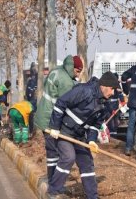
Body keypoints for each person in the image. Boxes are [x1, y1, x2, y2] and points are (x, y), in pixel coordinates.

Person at [47, 71, 120, 199]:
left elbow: (95, 126)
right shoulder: (84, 91)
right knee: (69, 157)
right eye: (112, 89)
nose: (113, 93)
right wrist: (54, 127)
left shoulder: (103, 103)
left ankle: (92, 196)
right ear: (104, 86)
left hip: (79, 136)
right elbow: (61, 103)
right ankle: (53, 190)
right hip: (64, 131)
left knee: (87, 162)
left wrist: (91, 140)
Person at [34, 55, 83, 185]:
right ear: (72, 67)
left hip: (44, 114)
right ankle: (53, 181)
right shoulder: (66, 81)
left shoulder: (57, 70)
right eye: (77, 71)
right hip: (50, 119)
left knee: (52, 151)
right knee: (54, 152)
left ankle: (53, 178)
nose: (77, 75)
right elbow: (68, 102)